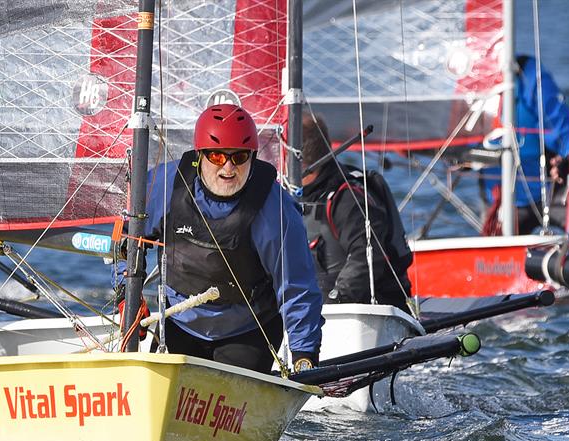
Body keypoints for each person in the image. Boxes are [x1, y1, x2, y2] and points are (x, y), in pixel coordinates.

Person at [117, 104, 324, 373]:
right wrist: (127, 295)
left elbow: (297, 287)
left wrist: (304, 355)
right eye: (216, 156)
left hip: (248, 331)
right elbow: (126, 242)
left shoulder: (276, 210)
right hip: (179, 323)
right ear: (200, 155)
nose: (228, 167)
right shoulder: (164, 186)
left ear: (253, 156)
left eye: (239, 157)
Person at [299, 112, 413, 313]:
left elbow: (367, 255)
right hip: (310, 313)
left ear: (294, 155)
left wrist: (333, 306)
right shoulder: (289, 195)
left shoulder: (348, 198)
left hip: (363, 316)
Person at [480, 55, 569, 234]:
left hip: (550, 190)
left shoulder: (527, 72)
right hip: (500, 198)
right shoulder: (473, 82)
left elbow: (561, 121)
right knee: (495, 247)